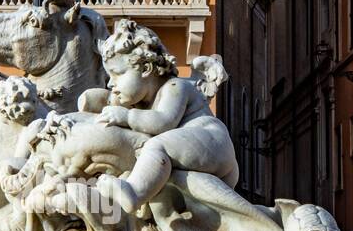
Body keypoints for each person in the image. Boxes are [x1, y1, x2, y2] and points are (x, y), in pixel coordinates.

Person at [85, 19, 238, 214]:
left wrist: (127, 116)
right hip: (203, 153)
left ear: (146, 69)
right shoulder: (144, 102)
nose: (111, 84)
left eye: (117, 74)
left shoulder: (175, 87)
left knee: (157, 146)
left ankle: (134, 193)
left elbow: (163, 122)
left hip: (213, 143)